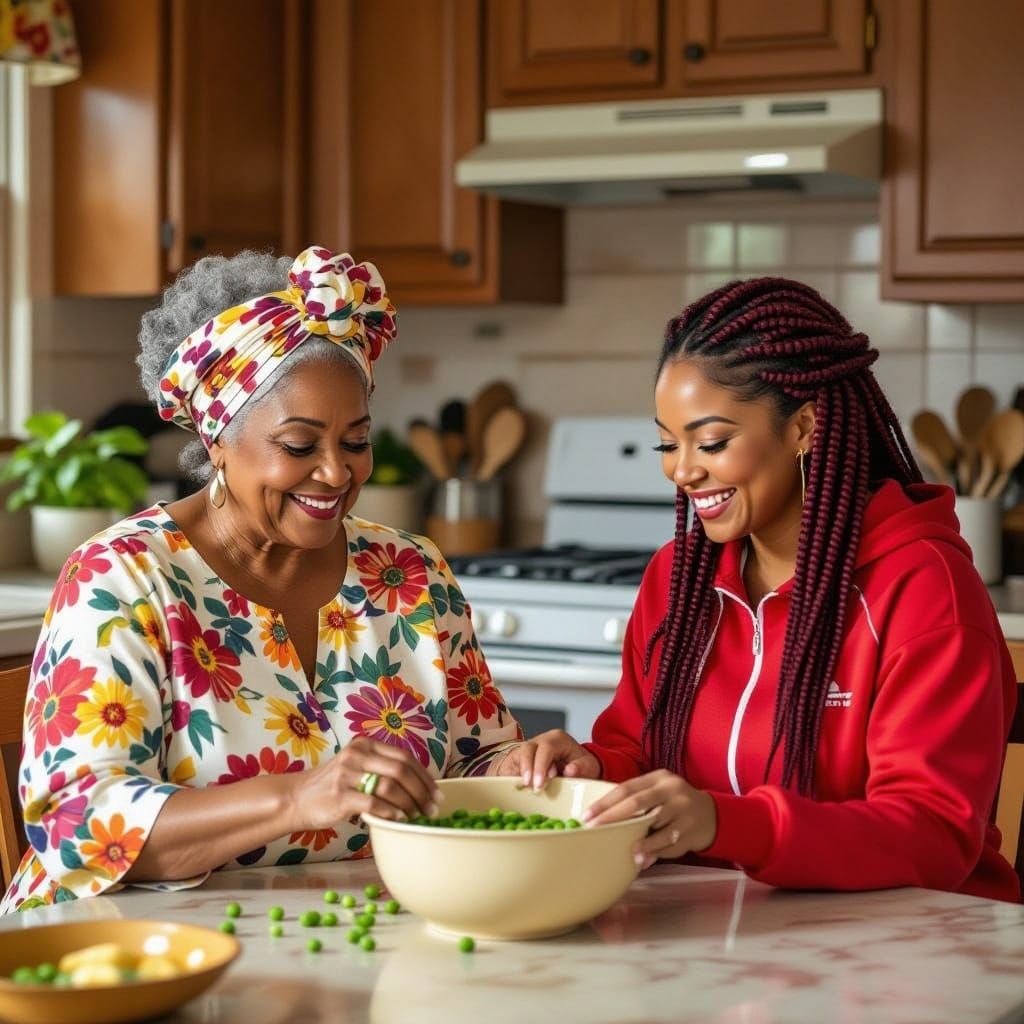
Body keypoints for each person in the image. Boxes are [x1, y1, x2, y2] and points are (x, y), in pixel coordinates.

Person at [4, 246, 521, 912]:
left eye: (356, 441)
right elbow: (78, 829)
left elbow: (471, 768)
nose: (337, 473)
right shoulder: (123, 579)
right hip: (129, 955)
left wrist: (523, 771)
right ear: (217, 438)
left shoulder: (411, 574)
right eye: (300, 446)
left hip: (348, 941)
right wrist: (296, 797)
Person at [499, 277, 1019, 903]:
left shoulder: (923, 587)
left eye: (712, 442)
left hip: (912, 950)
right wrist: (593, 768)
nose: (683, 470)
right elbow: (636, 747)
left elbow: (934, 833)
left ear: (805, 427)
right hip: (722, 934)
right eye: (669, 443)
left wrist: (726, 824)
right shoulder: (678, 579)